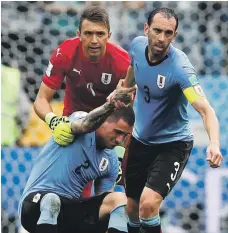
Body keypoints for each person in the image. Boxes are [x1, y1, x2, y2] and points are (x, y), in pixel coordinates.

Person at [109, 7, 223, 233]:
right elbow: (134, 69)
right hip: (141, 141)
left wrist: (214, 143)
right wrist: (125, 88)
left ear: (175, 35)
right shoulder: (137, 46)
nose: (161, 38)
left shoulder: (180, 68)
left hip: (173, 145)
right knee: (130, 208)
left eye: (168, 33)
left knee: (148, 204)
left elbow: (206, 110)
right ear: (146, 29)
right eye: (157, 31)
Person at [34, 5, 130, 197]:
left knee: (115, 198)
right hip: (75, 125)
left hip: (109, 128)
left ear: (109, 35)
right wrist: (53, 121)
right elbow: (41, 100)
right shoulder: (64, 53)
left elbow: (130, 115)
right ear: (79, 34)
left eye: (100, 34)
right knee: (76, 195)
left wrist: (119, 155)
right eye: (88, 33)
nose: (94, 40)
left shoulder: (123, 63)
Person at [18, 90, 135, 233]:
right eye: (117, 132)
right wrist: (109, 105)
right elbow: (85, 124)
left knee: (119, 201)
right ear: (104, 122)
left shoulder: (110, 161)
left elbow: (103, 204)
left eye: (124, 135)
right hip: (34, 205)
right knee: (51, 200)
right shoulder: (78, 124)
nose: (119, 140)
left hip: (68, 213)